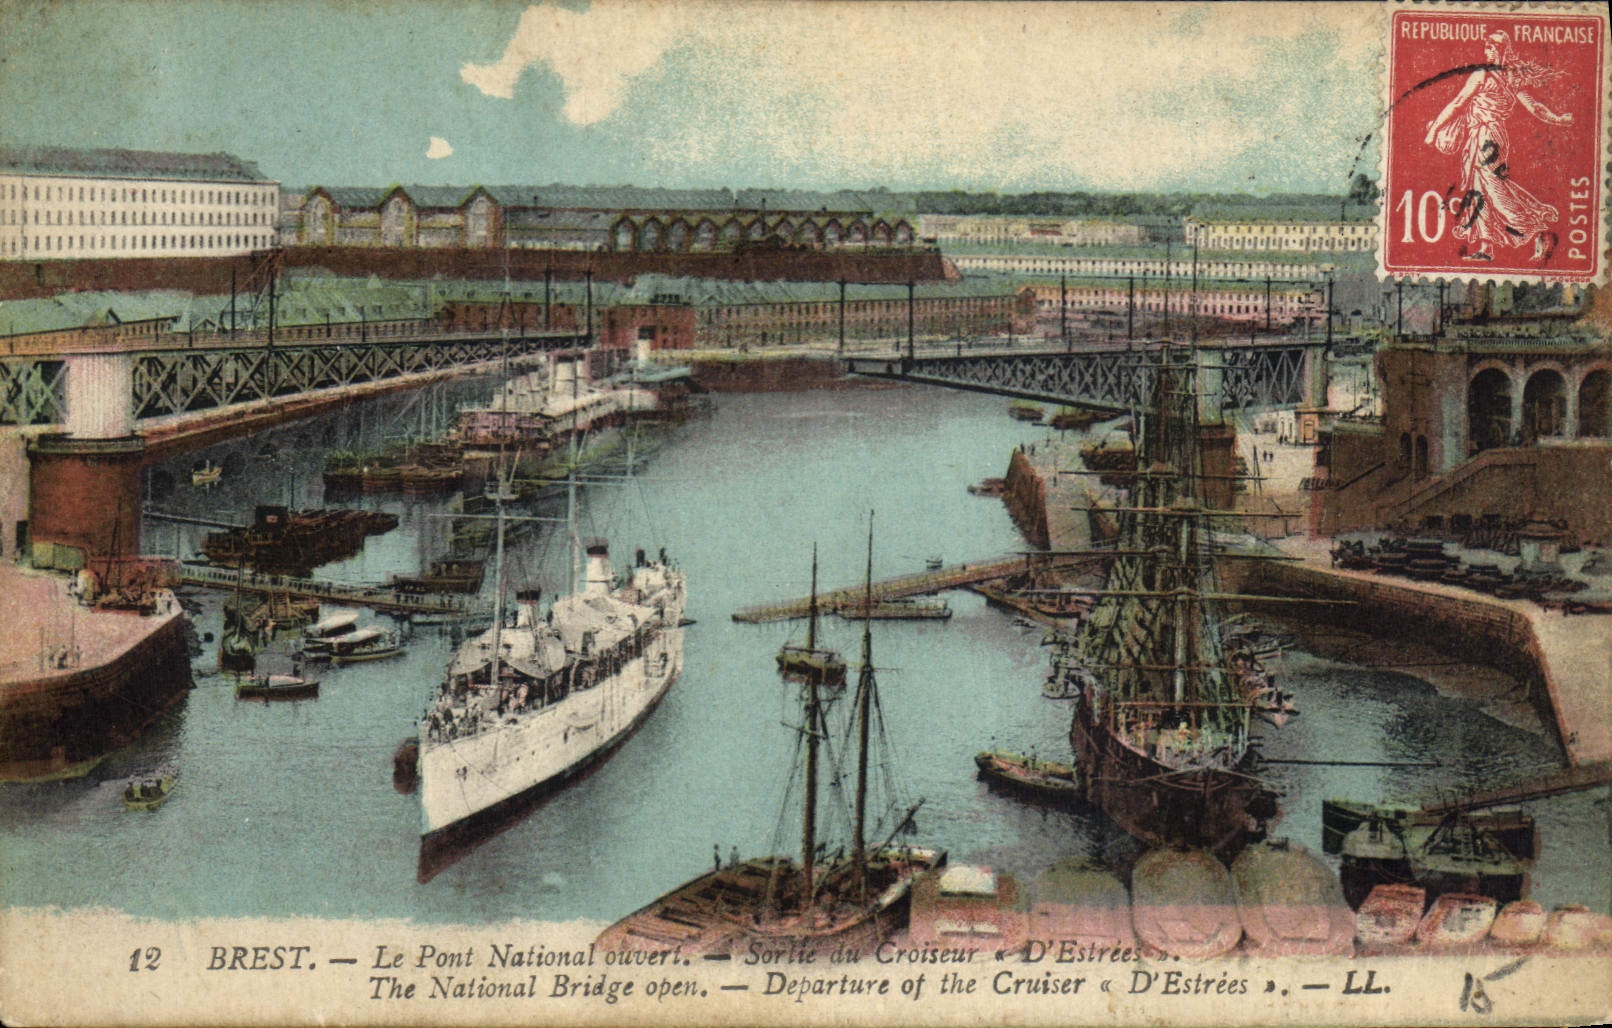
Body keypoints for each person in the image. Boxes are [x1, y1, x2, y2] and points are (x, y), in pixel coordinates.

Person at [1424, 31, 1573, 263]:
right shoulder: (1498, 76)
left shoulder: (1493, 75)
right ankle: (1486, 248)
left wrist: (1434, 130)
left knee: (1493, 187)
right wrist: (1558, 119)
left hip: (1489, 136)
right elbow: (1460, 102)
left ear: (1504, 49)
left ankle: (1536, 229)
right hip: (1482, 135)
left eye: (1494, 46)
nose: (1489, 50)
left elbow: (1460, 102)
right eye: (1487, 46)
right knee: (1479, 189)